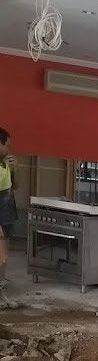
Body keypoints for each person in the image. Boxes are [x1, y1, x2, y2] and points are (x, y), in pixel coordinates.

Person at [0, 127, 18, 309]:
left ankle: (1, 291)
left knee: (3, 258)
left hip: (6, 214)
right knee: (1, 257)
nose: (8, 149)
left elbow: (15, 186)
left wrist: (14, 169)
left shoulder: (5, 164)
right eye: (6, 145)